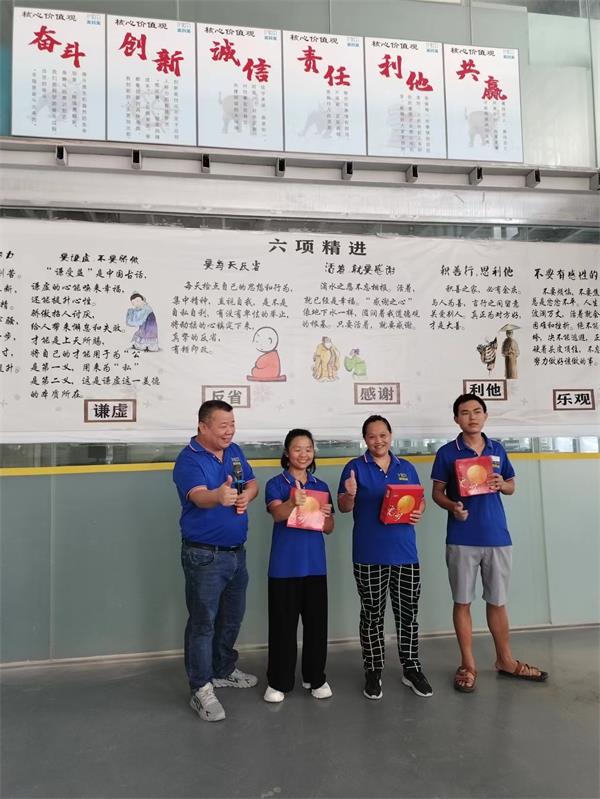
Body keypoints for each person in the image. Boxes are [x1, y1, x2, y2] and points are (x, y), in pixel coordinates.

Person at [431, 394, 548, 693]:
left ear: (485, 416)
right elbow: (437, 493)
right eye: (464, 412)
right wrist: (452, 506)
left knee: (497, 601)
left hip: (497, 535)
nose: (471, 417)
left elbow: (511, 485)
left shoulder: (497, 449)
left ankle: (505, 660)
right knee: (462, 601)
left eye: (477, 411)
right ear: (456, 419)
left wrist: (502, 484)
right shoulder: (447, 453)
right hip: (462, 537)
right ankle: (468, 665)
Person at [173, 400, 259, 722]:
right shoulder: (188, 459)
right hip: (204, 555)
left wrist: (246, 495)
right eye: (223, 426)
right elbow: (198, 496)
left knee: (232, 618)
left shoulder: (234, 452)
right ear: (203, 426)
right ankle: (200, 687)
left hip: (237, 552)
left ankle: (223, 669)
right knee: (203, 623)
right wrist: (218, 496)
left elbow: (252, 483)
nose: (229, 431)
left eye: (232, 424)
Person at [338, 415, 433, 700]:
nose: (378, 441)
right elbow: (343, 507)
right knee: (372, 615)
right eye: (372, 436)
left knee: (408, 614)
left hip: (405, 553)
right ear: (364, 439)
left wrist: (419, 511)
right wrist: (350, 494)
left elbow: (420, 500)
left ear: (391, 436)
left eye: (383, 435)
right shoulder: (355, 467)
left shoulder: (406, 467)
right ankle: (373, 670)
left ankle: (411, 668)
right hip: (369, 554)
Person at [263, 429, 334, 703]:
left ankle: (315, 677)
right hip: (284, 567)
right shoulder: (275, 484)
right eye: (297, 449)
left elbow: (329, 527)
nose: (303, 454)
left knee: (316, 627)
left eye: (308, 449)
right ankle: (278, 681)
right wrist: (292, 501)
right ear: (286, 453)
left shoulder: (321, 486)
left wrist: (325, 516)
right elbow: (277, 515)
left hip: (315, 566)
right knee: (282, 627)